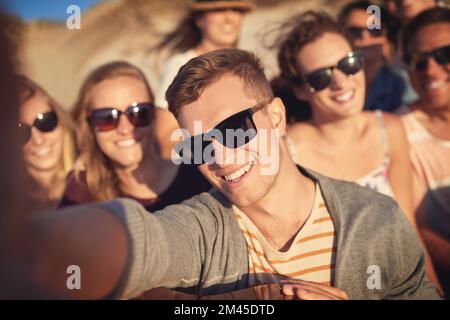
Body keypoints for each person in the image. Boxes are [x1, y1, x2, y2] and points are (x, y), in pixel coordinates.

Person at [29, 49, 439, 300]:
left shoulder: (378, 220)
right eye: (200, 141)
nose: (220, 157)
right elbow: (144, 244)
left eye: (235, 128)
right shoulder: (201, 228)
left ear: (277, 116)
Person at [60, 61, 211, 211]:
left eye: (139, 113)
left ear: (154, 115)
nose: (125, 129)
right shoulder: (80, 193)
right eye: (106, 118)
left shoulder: (201, 175)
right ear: (89, 126)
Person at [152, 0, 254, 159]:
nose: (230, 18)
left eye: (236, 10)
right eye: (219, 10)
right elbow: (166, 143)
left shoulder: (247, 64)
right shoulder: (181, 65)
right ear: (199, 19)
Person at [397, 7, 450, 297]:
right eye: (417, 61)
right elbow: (416, 226)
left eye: (445, 55)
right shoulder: (399, 132)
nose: (430, 70)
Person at [338, 1, 416, 112]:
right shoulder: (332, 82)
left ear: (387, 36)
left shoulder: (403, 83)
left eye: (375, 30)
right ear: (340, 35)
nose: (365, 37)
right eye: (355, 31)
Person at [18, 76, 75, 213]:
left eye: (46, 121)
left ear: (62, 121)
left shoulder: (95, 183)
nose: (38, 140)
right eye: (20, 131)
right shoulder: (8, 208)